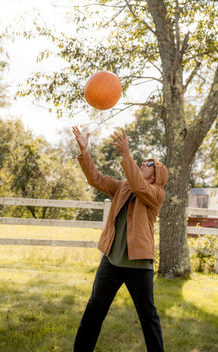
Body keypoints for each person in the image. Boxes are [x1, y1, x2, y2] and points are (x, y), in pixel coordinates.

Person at [72, 126, 169, 352]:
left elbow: (138, 185)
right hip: (111, 261)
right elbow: (95, 179)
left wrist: (127, 154)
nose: (142, 164)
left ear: (155, 176)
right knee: (95, 308)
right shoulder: (122, 187)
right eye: (142, 162)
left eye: (148, 164)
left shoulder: (156, 194)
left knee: (148, 316)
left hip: (139, 265)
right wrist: (84, 152)